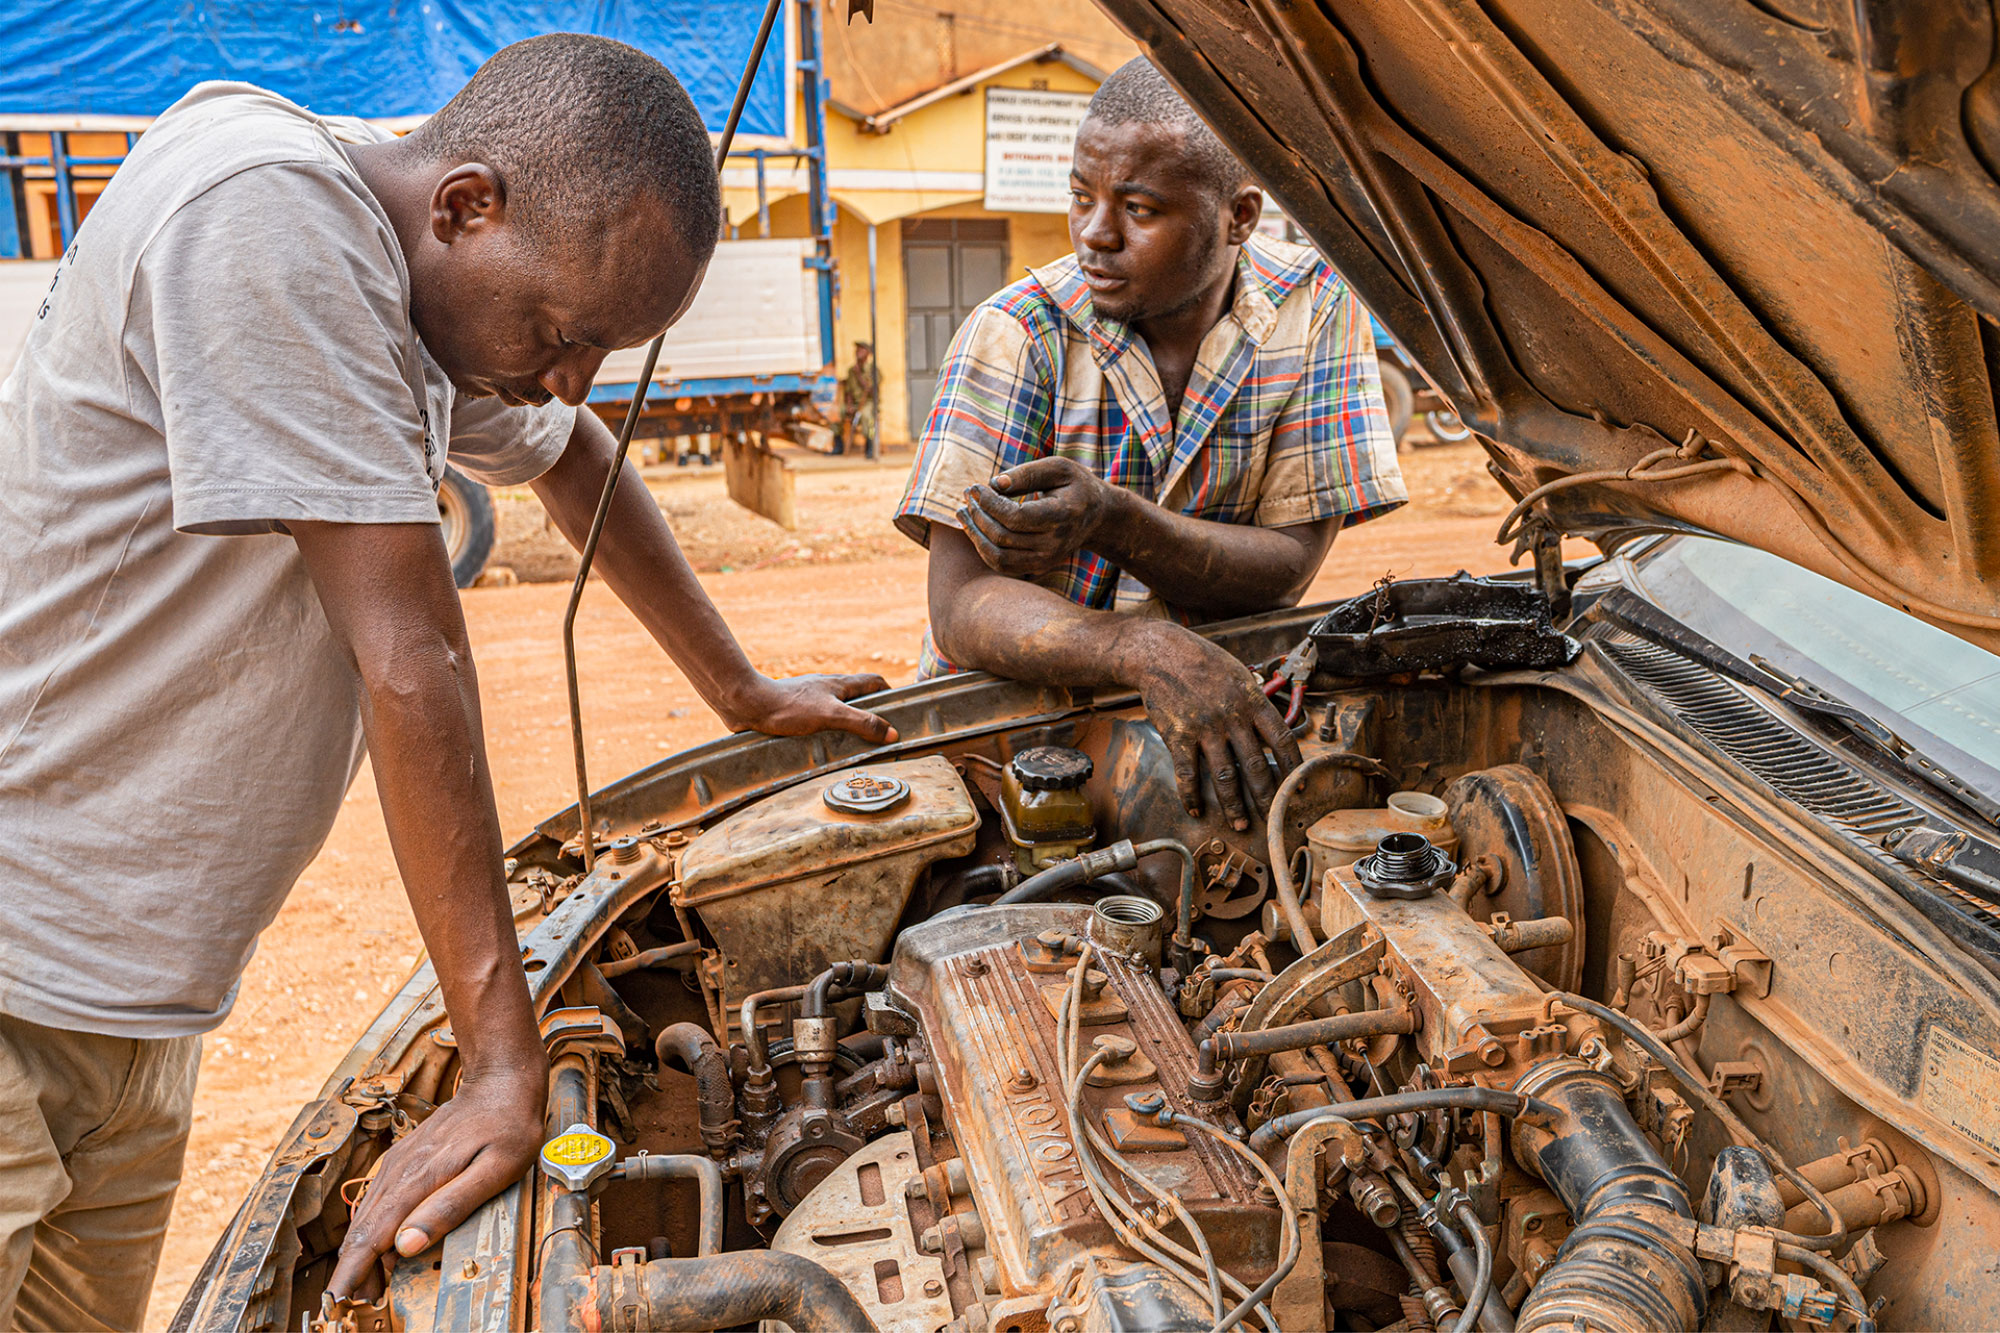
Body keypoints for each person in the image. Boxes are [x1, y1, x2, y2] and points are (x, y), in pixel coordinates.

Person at [0, 34, 894, 1328]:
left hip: (134, 1003)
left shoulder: (409, 291)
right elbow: (411, 656)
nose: (568, 374)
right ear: (467, 206)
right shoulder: (268, 216)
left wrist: (739, 691)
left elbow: (572, 448)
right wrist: (497, 1065)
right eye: (563, 329)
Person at [894, 59, 1404, 833]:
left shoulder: (1317, 308)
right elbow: (960, 605)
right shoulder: (1020, 332)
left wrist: (1114, 521)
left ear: (1239, 217)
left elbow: (1289, 566)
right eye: (1080, 196)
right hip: (1008, 749)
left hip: (1204, 722)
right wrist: (1143, 648)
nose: (1096, 234)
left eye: (1138, 207)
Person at [839, 340, 879, 456]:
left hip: (870, 402)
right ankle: (838, 446)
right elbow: (849, 391)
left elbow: (872, 391)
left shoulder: (873, 370)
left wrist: (859, 376)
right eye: (857, 349)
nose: (857, 352)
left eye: (861, 350)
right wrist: (849, 405)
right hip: (856, 403)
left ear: (868, 353)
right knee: (838, 413)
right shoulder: (851, 370)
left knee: (867, 416)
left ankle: (870, 446)